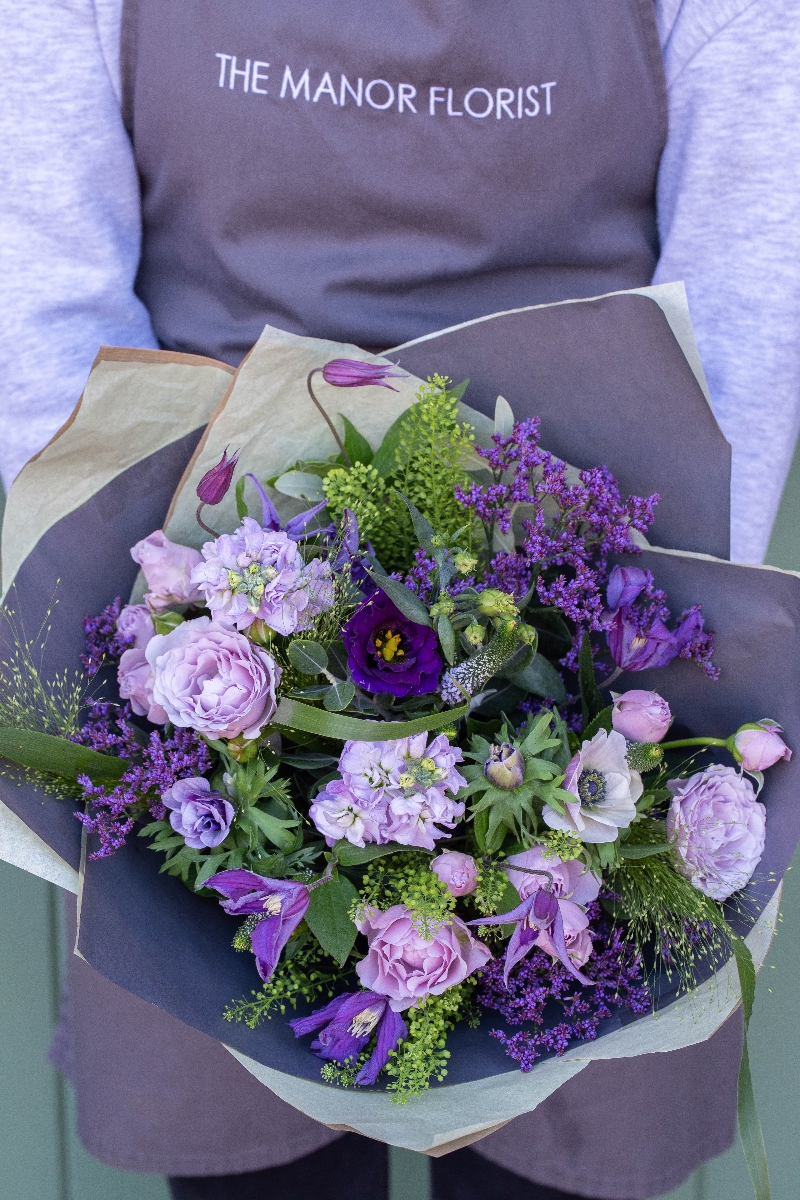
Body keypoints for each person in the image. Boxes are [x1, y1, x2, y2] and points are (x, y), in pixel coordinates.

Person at [1, 1, 798, 1198]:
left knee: (564, 1122)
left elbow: (745, 307)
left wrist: (624, 658)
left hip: (581, 682)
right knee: (249, 1139)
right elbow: (44, 305)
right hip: (206, 673)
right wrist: (161, 669)